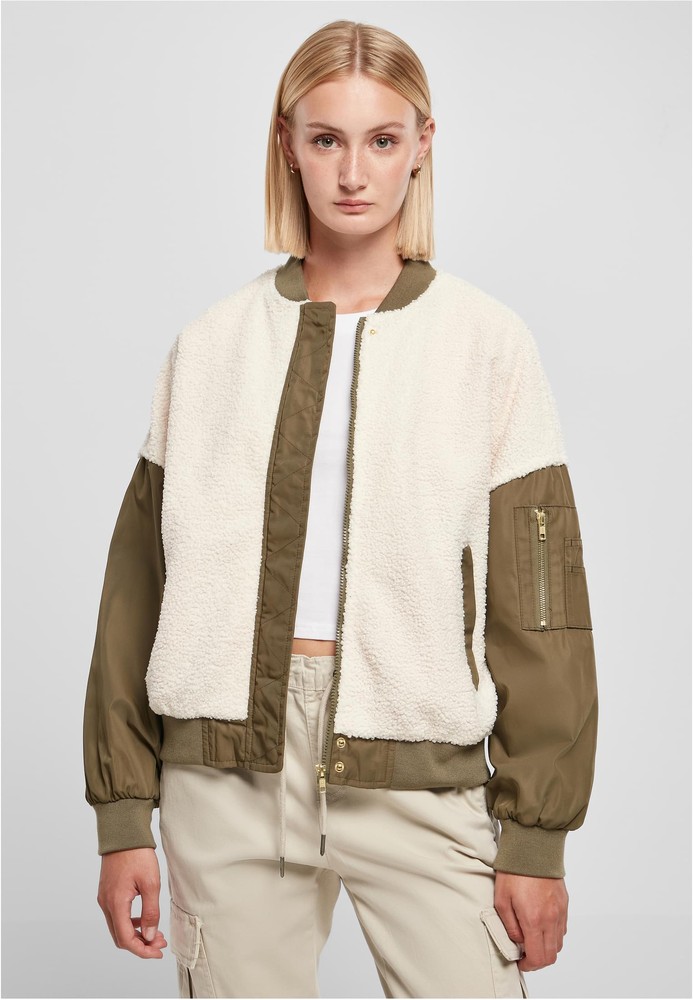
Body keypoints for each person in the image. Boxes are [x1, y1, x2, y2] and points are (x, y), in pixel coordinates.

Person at [83, 18, 598, 1000]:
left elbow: (542, 609)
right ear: (287, 144)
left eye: (381, 140)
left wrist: (537, 837)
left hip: (417, 764)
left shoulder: (486, 344)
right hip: (225, 776)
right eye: (326, 139)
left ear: (422, 145)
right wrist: (121, 817)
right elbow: (135, 592)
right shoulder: (212, 345)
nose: (353, 172)